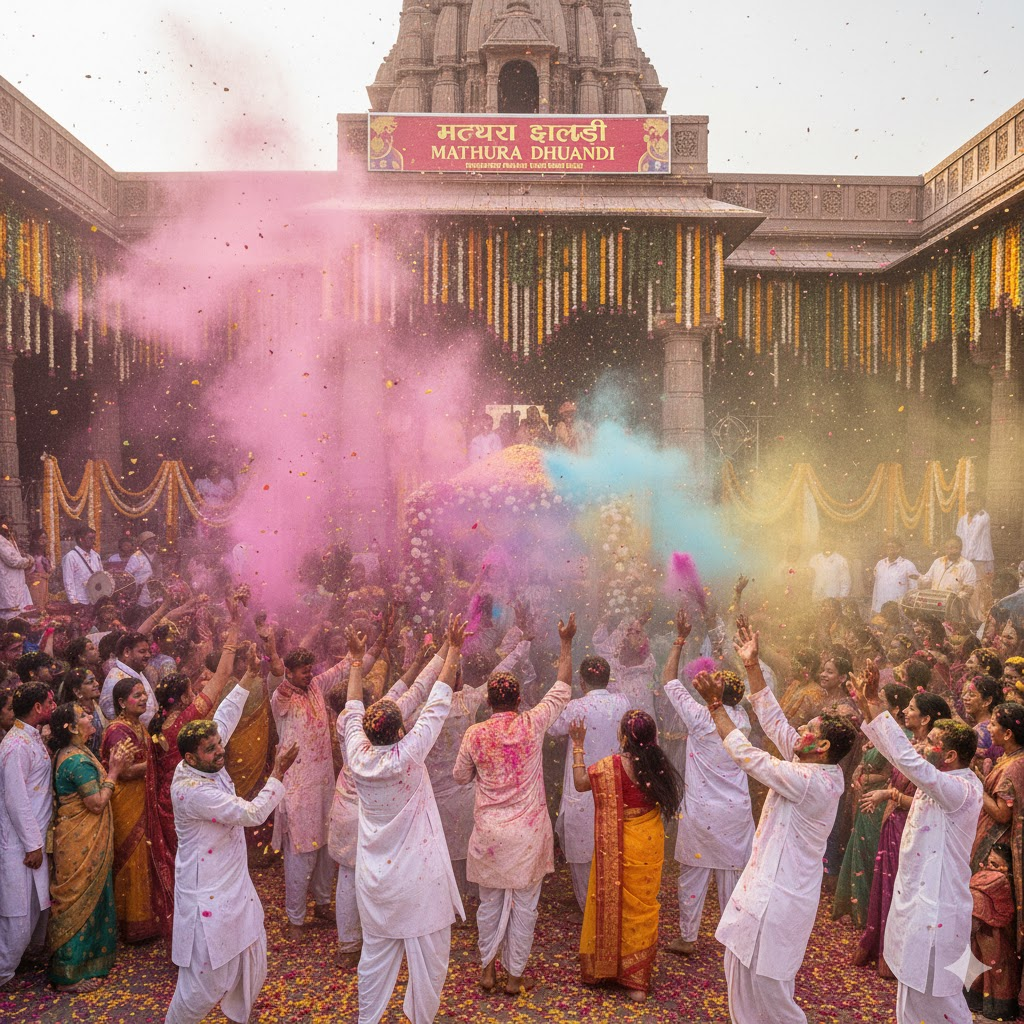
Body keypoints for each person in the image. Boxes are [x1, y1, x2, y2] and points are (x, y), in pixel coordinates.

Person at [693, 617, 857, 1024]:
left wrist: (716, 707)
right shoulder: (809, 761)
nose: (799, 729)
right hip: (760, 889)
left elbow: (750, 757)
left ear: (820, 746)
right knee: (737, 971)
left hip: (780, 898)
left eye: (809, 728)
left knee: (771, 992)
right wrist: (752, 665)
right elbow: (776, 723)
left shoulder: (810, 779)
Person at [342, 619, 465, 1024]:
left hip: (376, 884)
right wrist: (454, 648)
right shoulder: (408, 756)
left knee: (374, 962)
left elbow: (353, 708)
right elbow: (438, 703)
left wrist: (357, 663)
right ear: (400, 731)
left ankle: (369, 1019)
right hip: (419, 880)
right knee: (430, 964)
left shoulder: (356, 754)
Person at [453, 613, 575, 995]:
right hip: (526, 836)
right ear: (520, 699)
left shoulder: (475, 733)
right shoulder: (531, 723)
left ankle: (487, 969)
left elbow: (459, 777)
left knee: (489, 906)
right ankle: (515, 976)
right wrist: (566, 642)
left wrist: (481, 773)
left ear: (488, 701)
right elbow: (562, 686)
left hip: (489, 834)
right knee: (525, 907)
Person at [164, 678, 298, 1024]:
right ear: (192, 758)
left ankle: (240, 1017)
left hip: (233, 883)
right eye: (211, 749)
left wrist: (246, 679)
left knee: (253, 955)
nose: (220, 750)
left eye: (218, 744)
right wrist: (279, 771)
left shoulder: (203, 759)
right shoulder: (194, 791)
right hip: (207, 895)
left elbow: (224, 716)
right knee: (205, 984)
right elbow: (252, 813)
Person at [854, 669, 982, 1024]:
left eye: (932, 743)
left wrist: (878, 707)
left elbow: (907, 761)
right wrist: (870, 709)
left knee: (940, 995)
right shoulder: (943, 779)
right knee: (912, 986)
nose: (923, 746)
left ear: (951, 755)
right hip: (919, 898)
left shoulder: (958, 789)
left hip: (938, 906)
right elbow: (900, 756)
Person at [569, 706, 682, 1003]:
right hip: (647, 840)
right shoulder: (658, 765)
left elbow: (581, 784)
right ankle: (636, 981)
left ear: (622, 735)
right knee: (642, 908)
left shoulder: (611, 766)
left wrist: (578, 747)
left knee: (614, 902)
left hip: (619, 842)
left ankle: (607, 968)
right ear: (652, 736)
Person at [661, 610, 753, 956]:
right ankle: (732, 941)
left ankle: (688, 937)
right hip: (735, 814)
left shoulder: (699, 717)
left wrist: (680, 639)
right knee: (732, 880)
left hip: (701, 812)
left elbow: (669, 679)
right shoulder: (742, 720)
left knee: (692, 879)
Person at [46, 702, 132, 991]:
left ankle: (90, 961)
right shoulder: (76, 761)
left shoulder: (76, 752)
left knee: (92, 896)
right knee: (78, 899)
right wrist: (115, 771)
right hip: (79, 840)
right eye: (82, 715)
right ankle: (68, 975)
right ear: (71, 727)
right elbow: (96, 804)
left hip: (80, 837)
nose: (88, 717)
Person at [271, 645, 348, 938]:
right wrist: (269, 646)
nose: (309, 674)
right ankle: (295, 918)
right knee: (300, 853)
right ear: (289, 673)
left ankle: (323, 903)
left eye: (310, 669)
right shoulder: (282, 698)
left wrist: (363, 650)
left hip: (325, 783)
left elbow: (342, 670)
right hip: (298, 786)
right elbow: (277, 676)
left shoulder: (315, 685)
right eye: (303, 671)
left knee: (327, 848)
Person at [549, 653, 629, 914]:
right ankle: (606, 907)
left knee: (582, 850)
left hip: (582, 782)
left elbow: (552, 728)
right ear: (608, 680)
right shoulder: (623, 702)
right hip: (614, 782)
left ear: (582, 682)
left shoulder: (576, 707)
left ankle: (589, 911)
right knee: (610, 846)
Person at [101, 677, 174, 941]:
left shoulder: (139, 725)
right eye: (136, 695)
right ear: (121, 702)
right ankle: (130, 925)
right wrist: (159, 764)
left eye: (144, 694)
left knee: (146, 856)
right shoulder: (118, 731)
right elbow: (124, 770)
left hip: (143, 799)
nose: (143, 699)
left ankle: (148, 920)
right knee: (132, 860)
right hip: (126, 803)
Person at [0, 682, 56, 989]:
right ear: (37, 708)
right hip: (19, 845)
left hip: (32, 840)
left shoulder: (29, 737)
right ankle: (3, 973)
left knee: (35, 906)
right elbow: (16, 799)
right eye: (49, 702)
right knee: (17, 914)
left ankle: (19, 961)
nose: (52, 705)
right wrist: (33, 845)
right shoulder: (16, 745)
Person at [968, 842, 1020, 1021]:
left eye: (996, 865)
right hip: (982, 932)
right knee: (979, 966)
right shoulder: (987, 876)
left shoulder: (1002, 880)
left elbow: (1004, 910)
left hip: (997, 934)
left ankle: (999, 1008)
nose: (990, 868)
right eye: (989, 863)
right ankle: (978, 1001)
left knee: (998, 969)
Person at [100, 631, 158, 726]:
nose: (148, 655)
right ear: (127, 652)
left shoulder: (136, 672)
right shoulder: (115, 680)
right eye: (142, 651)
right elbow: (114, 722)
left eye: (149, 651)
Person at [917, 535, 978, 610]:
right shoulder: (938, 562)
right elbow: (928, 579)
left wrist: (953, 602)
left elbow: (968, 590)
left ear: (960, 548)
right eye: (949, 548)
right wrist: (918, 577)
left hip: (954, 608)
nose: (952, 551)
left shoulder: (967, 566)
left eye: (955, 548)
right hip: (934, 605)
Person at [957, 491, 994, 609]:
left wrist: (967, 558)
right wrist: (961, 557)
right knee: (965, 585)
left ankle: (981, 616)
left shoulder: (983, 516)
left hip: (980, 558)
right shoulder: (962, 519)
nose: (971, 503)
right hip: (964, 558)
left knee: (980, 587)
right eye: (968, 500)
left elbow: (974, 538)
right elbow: (958, 537)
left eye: (974, 500)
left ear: (979, 502)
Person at [870, 538, 918, 614]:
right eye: (888, 547)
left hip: (898, 612)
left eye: (892, 547)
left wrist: (907, 610)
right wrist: (873, 608)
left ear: (899, 549)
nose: (889, 550)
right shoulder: (880, 564)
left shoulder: (908, 565)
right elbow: (876, 588)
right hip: (879, 610)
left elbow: (914, 590)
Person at [60, 526, 104, 606]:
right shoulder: (70, 557)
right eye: (90, 539)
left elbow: (101, 575)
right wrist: (74, 601)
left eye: (94, 538)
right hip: (81, 601)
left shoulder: (96, 556)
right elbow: (68, 581)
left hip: (96, 599)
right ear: (81, 539)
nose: (94, 542)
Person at [0, 523, 33, 616]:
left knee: (15, 611)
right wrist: (28, 561)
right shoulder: (1, 540)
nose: (8, 527)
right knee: (9, 614)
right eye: (5, 524)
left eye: (10, 524)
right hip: (7, 581)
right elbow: (13, 561)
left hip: (13, 582)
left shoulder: (8, 539)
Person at [125, 531, 160, 609]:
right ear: (143, 545)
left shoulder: (158, 556)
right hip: (142, 599)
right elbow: (127, 576)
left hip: (157, 596)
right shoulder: (136, 557)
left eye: (154, 543)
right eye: (150, 543)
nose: (153, 546)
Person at [26, 527, 52, 610]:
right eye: (41, 538)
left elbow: (48, 569)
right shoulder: (30, 555)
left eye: (45, 538)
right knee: (36, 606)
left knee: (44, 606)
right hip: (35, 584)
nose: (44, 541)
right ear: (35, 540)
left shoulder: (46, 553)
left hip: (44, 583)